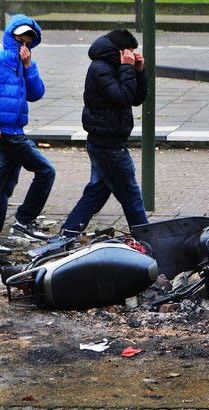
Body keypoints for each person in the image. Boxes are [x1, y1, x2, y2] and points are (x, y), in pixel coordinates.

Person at [61, 29, 148, 236]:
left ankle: (67, 234)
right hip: (108, 145)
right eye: (129, 52)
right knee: (132, 196)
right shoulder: (100, 68)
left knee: (96, 192)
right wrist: (127, 67)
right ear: (119, 51)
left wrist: (138, 71)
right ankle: (148, 240)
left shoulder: (115, 65)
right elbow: (122, 97)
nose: (131, 55)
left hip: (107, 141)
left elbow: (136, 98)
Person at [0, 15, 55, 253]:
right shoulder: (1, 60)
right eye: (19, 37)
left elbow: (36, 93)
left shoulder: (27, 63)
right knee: (45, 170)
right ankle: (24, 220)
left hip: (14, 130)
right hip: (7, 134)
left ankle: (20, 223)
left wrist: (28, 67)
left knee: (4, 187)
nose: (23, 42)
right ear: (10, 36)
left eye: (28, 39)